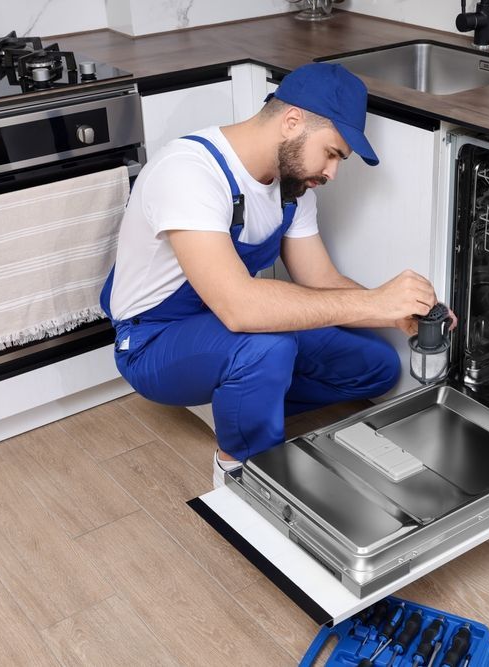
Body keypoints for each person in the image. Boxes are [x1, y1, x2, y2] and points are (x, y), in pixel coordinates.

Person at [100, 62, 443, 488]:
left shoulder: (291, 189)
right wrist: (374, 301)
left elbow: (320, 280)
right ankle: (239, 473)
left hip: (224, 325)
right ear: (292, 121)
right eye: (332, 153)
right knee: (266, 348)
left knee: (377, 368)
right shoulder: (190, 172)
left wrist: (396, 313)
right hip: (153, 339)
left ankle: (234, 399)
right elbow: (240, 308)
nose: (332, 173)